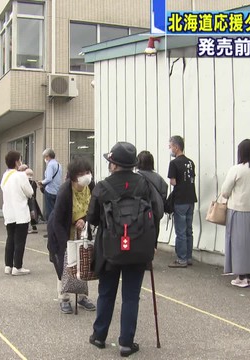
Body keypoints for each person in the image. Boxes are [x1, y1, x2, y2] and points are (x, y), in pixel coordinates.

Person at [87, 142, 163, 357]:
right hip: (138, 246)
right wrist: (153, 243)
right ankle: (126, 344)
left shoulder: (103, 186)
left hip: (109, 247)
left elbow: (92, 217)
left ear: (114, 164)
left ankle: (99, 336)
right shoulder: (144, 184)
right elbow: (157, 212)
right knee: (131, 296)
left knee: (106, 292)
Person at [47, 156, 97, 314]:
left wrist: (83, 220)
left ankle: (82, 296)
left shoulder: (91, 185)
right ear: (75, 176)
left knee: (84, 261)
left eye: (89, 172)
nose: (87, 175)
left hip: (82, 230)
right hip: (61, 230)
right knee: (65, 263)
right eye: (83, 173)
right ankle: (64, 297)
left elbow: (94, 209)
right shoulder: (65, 191)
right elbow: (57, 221)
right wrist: (65, 246)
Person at [220, 139, 250, 288]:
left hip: (237, 211)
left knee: (238, 244)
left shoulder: (237, 169)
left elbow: (225, 192)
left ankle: (241, 277)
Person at [1, 151, 34, 275]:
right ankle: (18, 267)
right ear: (16, 162)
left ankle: (8, 265)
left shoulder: (5, 176)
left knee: (10, 238)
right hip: (20, 213)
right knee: (20, 240)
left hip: (9, 212)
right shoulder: (20, 176)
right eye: (20, 160)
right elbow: (30, 192)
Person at [167, 136, 198, 268]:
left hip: (180, 199)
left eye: (170, 146)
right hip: (191, 198)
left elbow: (173, 181)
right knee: (188, 230)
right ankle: (188, 257)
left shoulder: (174, 163)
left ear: (176, 147)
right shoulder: (190, 162)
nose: (170, 149)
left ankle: (182, 258)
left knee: (180, 230)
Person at [136, 150, 168, 239]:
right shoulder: (158, 178)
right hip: (156, 211)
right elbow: (164, 191)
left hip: (142, 214)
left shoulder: (137, 177)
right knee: (154, 235)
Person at [38, 148, 63, 221]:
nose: (44, 159)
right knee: (56, 210)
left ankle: (51, 227)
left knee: (50, 211)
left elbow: (49, 178)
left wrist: (41, 182)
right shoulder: (59, 165)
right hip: (57, 190)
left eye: (44, 157)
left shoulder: (50, 165)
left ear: (47, 156)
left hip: (50, 190)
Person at [25, 168, 43, 234]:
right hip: (33, 199)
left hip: (27, 199)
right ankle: (34, 227)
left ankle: (26, 228)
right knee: (33, 213)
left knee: (27, 213)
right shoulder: (34, 183)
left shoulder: (26, 182)